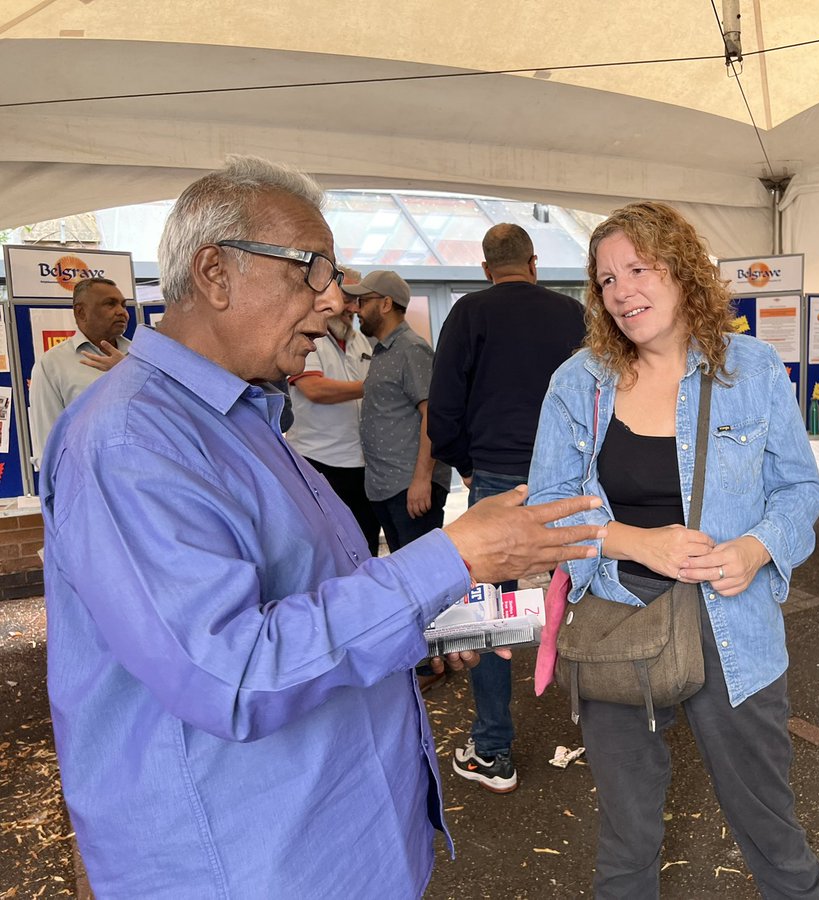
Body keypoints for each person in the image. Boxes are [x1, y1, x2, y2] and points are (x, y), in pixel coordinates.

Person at [39, 155, 605, 899]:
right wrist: (448, 561)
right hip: (251, 866)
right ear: (215, 273)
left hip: (332, 842)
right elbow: (232, 675)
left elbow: (304, 605)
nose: (335, 301)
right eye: (312, 270)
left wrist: (428, 626)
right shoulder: (131, 441)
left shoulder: (239, 415)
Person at [528, 201, 819, 899]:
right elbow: (546, 506)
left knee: (770, 825)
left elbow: (799, 490)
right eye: (606, 280)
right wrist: (635, 541)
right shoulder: (579, 382)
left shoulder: (750, 368)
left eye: (639, 268)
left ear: (683, 270)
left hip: (734, 627)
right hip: (617, 617)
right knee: (627, 836)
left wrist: (756, 549)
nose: (623, 290)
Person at [428, 222, 585, 793]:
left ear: (487, 267)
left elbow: (443, 403)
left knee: (492, 612)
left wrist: (464, 462)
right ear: (535, 262)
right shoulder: (572, 315)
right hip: (567, 475)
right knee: (584, 592)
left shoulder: (469, 313)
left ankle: (493, 749)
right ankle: (606, 722)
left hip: (495, 475)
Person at [348, 270, 452, 553]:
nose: (356, 309)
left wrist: (421, 479)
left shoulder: (411, 349)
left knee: (422, 577)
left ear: (385, 304)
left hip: (410, 489)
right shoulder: (383, 351)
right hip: (387, 487)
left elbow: (434, 414)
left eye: (363, 301)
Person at [286, 266, 380, 554]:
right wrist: (375, 386)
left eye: (358, 301)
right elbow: (315, 390)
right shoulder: (306, 336)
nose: (352, 307)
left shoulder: (358, 338)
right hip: (320, 462)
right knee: (332, 551)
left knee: (366, 548)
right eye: (348, 297)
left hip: (361, 464)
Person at [28, 277, 131, 468]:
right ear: (81, 312)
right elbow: (48, 444)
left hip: (141, 481)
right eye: (110, 304)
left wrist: (132, 372)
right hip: (88, 483)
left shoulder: (140, 356)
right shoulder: (52, 365)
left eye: (124, 305)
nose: (121, 312)